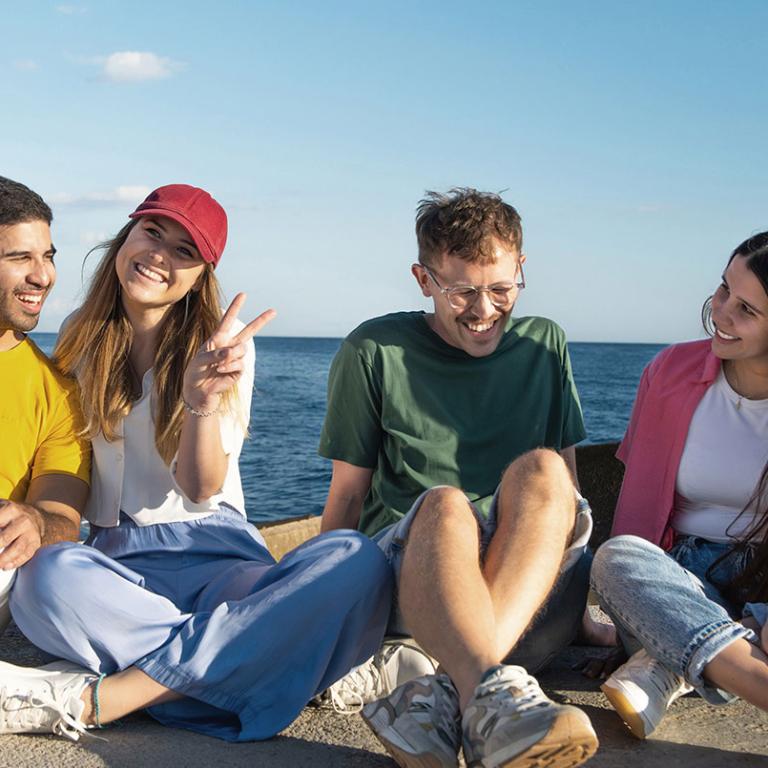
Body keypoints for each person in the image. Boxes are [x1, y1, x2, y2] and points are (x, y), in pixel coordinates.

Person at [0, 184, 392, 742]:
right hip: (116, 560)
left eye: (185, 251)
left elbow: (201, 486)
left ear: (201, 273)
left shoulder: (223, 346)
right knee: (45, 578)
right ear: (126, 237)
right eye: (153, 232)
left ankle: (106, 697)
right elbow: (70, 472)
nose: (160, 255)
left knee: (355, 559)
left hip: (215, 554)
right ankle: (267, 664)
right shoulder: (77, 339)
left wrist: (199, 405)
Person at [319, 189, 601, 768]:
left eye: (501, 289)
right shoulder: (374, 349)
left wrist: (589, 611)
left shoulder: (546, 344)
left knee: (544, 467)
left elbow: (565, 493)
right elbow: (347, 496)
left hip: (529, 597)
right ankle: (490, 697)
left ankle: (447, 694)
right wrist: (318, 611)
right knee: (446, 507)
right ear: (424, 279)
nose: (483, 310)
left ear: (521, 268)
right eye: (462, 292)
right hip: (416, 589)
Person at [591, 232, 768, 739]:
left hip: (763, 575)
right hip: (676, 576)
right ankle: (742, 668)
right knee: (615, 559)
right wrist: (636, 613)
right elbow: (636, 505)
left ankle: (665, 662)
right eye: (723, 291)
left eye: (746, 310)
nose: (721, 313)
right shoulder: (670, 370)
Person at [0, 176, 90, 636]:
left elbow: (63, 519)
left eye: (48, 256)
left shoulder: (58, 391)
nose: (43, 276)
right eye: (20, 258)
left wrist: (33, 520)